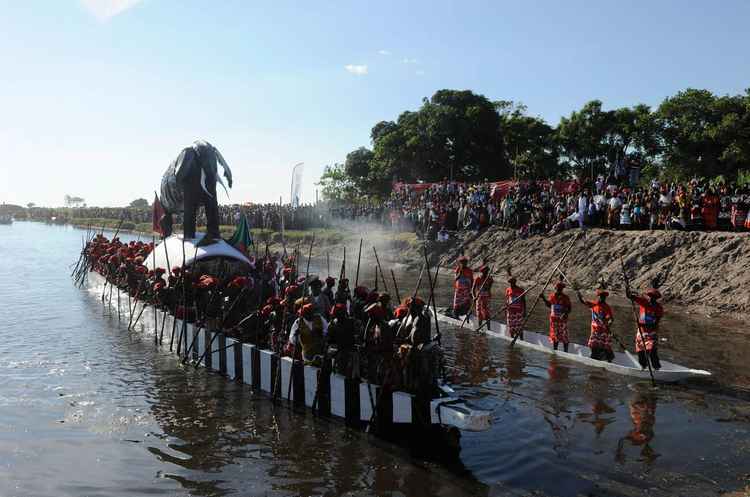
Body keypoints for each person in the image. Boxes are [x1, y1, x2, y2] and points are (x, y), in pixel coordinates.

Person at [626, 286, 664, 370]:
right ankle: (643, 366)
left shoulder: (658, 308)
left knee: (651, 350)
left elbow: (657, 321)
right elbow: (630, 296)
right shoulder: (644, 302)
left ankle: (656, 367)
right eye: (650, 297)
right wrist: (628, 290)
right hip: (641, 332)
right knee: (640, 351)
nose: (651, 299)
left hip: (651, 332)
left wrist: (649, 325)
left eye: (653, 298)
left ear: (656, 299)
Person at [577, 288, 615, 362]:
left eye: (603, 297)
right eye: (601, 297)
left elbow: (611, 319)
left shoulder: (606, 307)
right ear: (598, 297)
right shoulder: (594, 304)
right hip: (595, 331)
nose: (602, 298)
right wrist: (579, 296)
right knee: (593, 345)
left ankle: (607, 358)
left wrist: (608, 324)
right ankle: (596, 358)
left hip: (603, 331)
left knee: (605, 346)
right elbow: (583, 301)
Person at [327, 303, 357, 376]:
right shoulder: (333, 324)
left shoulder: (350, 323)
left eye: (336, 314)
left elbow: (353, 338)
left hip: (346, 353)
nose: (335, 316)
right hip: (338, 353)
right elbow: (329, 340)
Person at [541, 280, 571, 351]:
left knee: (564, 337)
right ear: (556, 288)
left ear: (562, 289)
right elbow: (549, 305)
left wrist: (565, 314)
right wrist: (543, 298)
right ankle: (555, 351)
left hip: (562, 320)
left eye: (560, 289)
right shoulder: (552, 296)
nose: (559, 290)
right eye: (558, 288)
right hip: (554, 320)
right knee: (555, 337)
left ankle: (566, 352)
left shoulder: (565, 297)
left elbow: (569, 309)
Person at [472, 265, 493, 330]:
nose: (486, 273)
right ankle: (480, 327)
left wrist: (490, 284)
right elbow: (473, 289)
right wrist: (474, 297)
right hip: (479, 299)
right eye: (485, 271)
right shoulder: (478, 279)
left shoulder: (489, 279)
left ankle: (489, 329)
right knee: (479, 315)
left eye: (487, 271)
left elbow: (489, 288)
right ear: (482, 272)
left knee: (487, 315)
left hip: (486, 299)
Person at [505, 274, 526, 340]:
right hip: (510, 311)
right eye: (510, 283)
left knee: (519, 326)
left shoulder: (520, 290)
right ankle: (512, 338)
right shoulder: (508, 289)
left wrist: (524, 311)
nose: (511, 284)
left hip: (518, 311)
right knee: (511, 326)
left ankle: (521, 339)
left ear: (515, 282)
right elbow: (507, 300)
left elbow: (524, 301)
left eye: (512, 283)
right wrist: (506, 308)